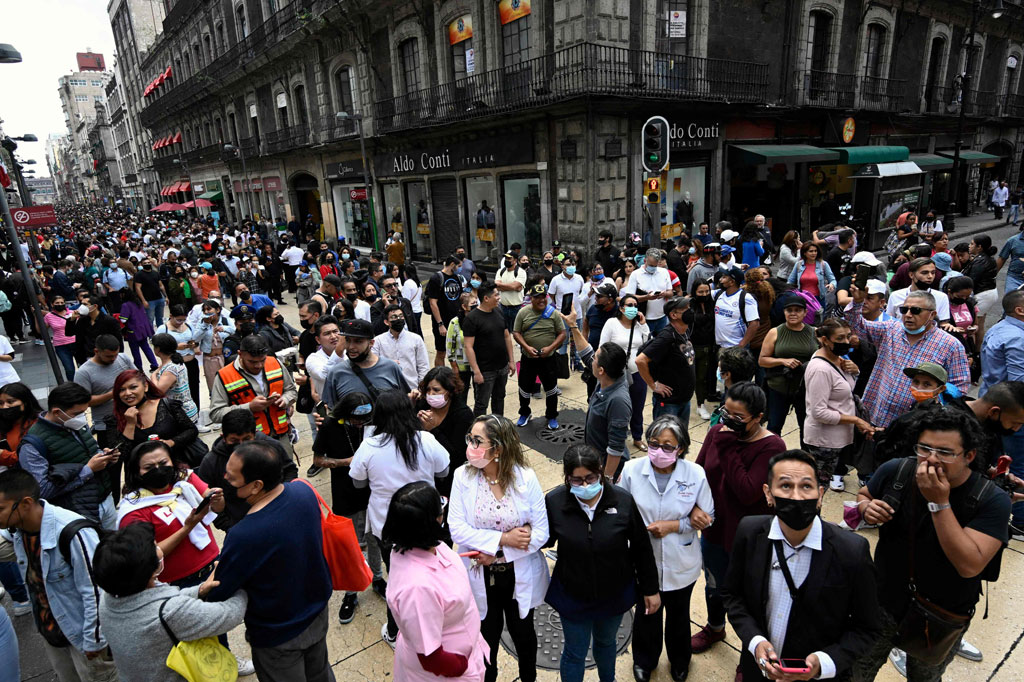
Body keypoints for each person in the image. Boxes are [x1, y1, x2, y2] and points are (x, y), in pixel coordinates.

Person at [853, 407, 1009, 681]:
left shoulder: (991, 500)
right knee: (856, 673)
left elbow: (969, 565)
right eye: (924, 448)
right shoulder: (898, 470)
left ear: (969, 456)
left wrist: (938, 502)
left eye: (946, 452)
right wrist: (866, 508)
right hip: (882, 604)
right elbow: (864, 493)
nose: (932, 459)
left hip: (941, 615)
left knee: (925, 677)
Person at [724, 450, 882, 682]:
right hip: (758, 672)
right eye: (785, 486)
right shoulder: (750, 532)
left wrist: (825, 662)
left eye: (806, 486)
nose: (797, 497)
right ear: (768, 494)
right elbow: (732, 595)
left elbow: (867, 628)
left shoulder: (852, 551)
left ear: (820, 495)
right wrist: (755, 641)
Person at [205, 440, 335, 682]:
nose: (225, 479)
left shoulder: (244, 535)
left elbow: (217, 592)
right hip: (317, 611)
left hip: (278, 633)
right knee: (320, 673)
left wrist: (208, 581)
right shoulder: (304, 491)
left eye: (231, 479)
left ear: (256, 486)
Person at [543, 443, 660, 682]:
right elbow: (543, 538)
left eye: (591, 478)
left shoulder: (622, 501)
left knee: (606, 643)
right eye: (576, 480)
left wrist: (650, 589)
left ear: (600, 472)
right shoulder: (555, 502)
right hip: (572, 593)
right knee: (575, 652)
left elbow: (641, 547)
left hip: (614, 591)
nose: (585, 485)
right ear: (567, 478)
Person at [448, 415, 550, 682]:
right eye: (470, 438)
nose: (470, 445)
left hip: (518, 572)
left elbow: (541, 532)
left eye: (477, 441)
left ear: (499, 449)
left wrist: (502, 552)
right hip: (481, 574)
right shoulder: (462, 477)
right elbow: (457, 529)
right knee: (486, 640)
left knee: (524, 634)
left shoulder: (525, 478)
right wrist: (504, 540)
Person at [691, 382, 786, 658]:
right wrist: (695, 507)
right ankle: (715, 626)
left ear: (758, 417)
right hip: (713, 530)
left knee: (748, 599)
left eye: (738, 417)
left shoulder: (771, 446)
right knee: (713, 585)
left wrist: (726, 444)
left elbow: (746, 490)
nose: (728, 421)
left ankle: (750, 655)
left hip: (747, 538)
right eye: (725, 412)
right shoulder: (715, 432)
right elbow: (698, 474)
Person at [349, 389, 451, 645]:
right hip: (427, 521)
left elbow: (358, 483)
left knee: (398, 579)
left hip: (388, 527)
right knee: (431, 573)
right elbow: (444, 470)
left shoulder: (370, 445)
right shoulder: (425, 440)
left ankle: (395, 631)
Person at [0, 468, 119, 682]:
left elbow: (96, 592)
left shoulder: (72, 532)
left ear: (26, 504)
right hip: (53, 634)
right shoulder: (18, 531)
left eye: (0, 508)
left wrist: (94, 640)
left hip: (85, 640)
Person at [619, 416, 714, 682]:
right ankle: (644, 660)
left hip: (681, 561)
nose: (659, 451)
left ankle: (679, 660)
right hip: (642, 561)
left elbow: (709, 517)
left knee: (679, 616)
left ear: (681, 448)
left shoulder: (695, 475)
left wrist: (675, 525)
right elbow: (619, 510)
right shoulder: (632, 470)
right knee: (647, 613)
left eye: (668, 446)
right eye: (654, 443)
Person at [383, 481, 489, 681]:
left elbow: (443, 564)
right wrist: (463, 666)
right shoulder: (417, 589)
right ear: (434, 521)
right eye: (441, 505)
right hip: (446, 672)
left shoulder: (421, 544)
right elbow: (431, 658)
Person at [847, 287, 969, 428]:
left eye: (916, 310)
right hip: (874, 418)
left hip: (915, 426)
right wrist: (857, 302)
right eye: (904, 310)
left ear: (932, 314)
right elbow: (855, 325)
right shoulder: (890, 329)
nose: (908, 315)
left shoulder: (951, 345)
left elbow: (959, 388)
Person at [116, 440, 223, 588]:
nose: (158, 469)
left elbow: (217, 508)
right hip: (178, 584)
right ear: (137, 472)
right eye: (149, 467)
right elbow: (148, 556)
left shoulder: (185, 480)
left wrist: (218, 498)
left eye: (163, 462)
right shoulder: (133, 511)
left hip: (213, 564)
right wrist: (187, 527)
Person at [18, 381, 119, 528]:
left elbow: (90, 450)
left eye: (84, 412)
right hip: (76, 511)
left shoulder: (74, 424)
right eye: (77, 414)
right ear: (57, 412)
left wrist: (104, 456)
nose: (82, 417)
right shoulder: (33, 445)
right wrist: (89, 470)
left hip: (105, 499)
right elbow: (42, 490)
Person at [803, 318, 876, 490]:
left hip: (838, 437)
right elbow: (819, 412)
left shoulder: (839, 359)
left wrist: (855, 371)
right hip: (824, 441)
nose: (846, 342)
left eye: (848, 337)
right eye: (840, 338)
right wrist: (856, 420)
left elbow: (844, 388)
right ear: (825, 340)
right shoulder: (820, 369)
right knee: (817, 489)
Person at [198, 409, 297, 532]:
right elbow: (205, 498)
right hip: (241, 526)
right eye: (234, 441)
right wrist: (229, 527)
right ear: (223, 437)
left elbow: (290, 471)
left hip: (280, 515)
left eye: (246, 439)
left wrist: (284, 501)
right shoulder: (211, 463)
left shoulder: (271, 447)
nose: (241, 445)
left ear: (255, 434)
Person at [210, 334, 297, 457]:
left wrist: (285, 400)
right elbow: (216, 413)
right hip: (250, 444)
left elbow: (292, 391)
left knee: (287, 471)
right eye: (252, 362)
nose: (259, 366)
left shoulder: (275, 363)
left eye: (262, 360)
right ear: (240, 354)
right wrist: (249, 407)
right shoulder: (224, 376)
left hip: (281, 436)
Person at [113, 369, 200, 470]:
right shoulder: (115, 418)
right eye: (121, 390)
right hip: (142, 478)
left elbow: (191, 430)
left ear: (145, 386)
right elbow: (120, 455)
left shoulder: (167, 405)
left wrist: (171, 442)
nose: (127, 393)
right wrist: (130, 424)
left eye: (133, 387)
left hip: (176, 469)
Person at [759, 293, 817, 437]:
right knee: (774, 426)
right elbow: (762, 360)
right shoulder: (775, 332)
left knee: (806, 428)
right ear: (784, 312)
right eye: (789, 310)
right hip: (778, 387)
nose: (793, 313)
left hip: (806, 389)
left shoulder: (814, 333)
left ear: (805, 312)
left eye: (797, 310)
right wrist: (782, 361)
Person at [512, 282, 567, 429]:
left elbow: (562, 333)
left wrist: (551, 348)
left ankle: (552, 416)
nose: (541, 300)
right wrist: (526, 347)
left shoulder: (553, 313)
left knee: (551, 389)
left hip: (548, 359)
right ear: (531, 298)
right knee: (524, 388)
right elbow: (516, 332)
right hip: (528, 358)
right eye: (537, 297)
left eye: (544, 297)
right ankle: (524, 413)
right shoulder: (523, 312)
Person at [600, 293, 651, 448]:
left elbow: (648, 344)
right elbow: (602, 347)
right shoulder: (612, 323)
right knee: (615, 407)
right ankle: (612, 437)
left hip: (637, 373)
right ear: (621, 308)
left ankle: (637, 437)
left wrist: (643, 325)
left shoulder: (639, 325)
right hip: (615, 375)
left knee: (638, 407)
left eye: (636, 306)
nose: (633, 308)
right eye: (629, 305)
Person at [321, 318, 408, 408]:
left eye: (358, 341)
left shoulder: (391, 368)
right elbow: (329, 411)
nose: (351, 347)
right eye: (348, 340)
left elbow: (405, 404)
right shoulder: (336, 373)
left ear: (371, 343)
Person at [415, 367, 473, 497]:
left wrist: (433, 430)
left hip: (448, 480)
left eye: (436, 390)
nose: (431, 394)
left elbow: (458, 456)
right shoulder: (422, 405)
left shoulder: (463, 415)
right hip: (422, 474)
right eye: (428, 390)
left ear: (450, 391)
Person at [463, 283, 516, 417]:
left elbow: (506, 336)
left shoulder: (498, 311)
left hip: (502, 367)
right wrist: (476, 372)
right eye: (496, 295)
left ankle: (498, 428)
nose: (499, 297)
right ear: (486, 299)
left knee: (499, 399)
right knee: (481, 404)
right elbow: (468, 346)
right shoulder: (472, 318)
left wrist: (511, 360)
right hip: (485, 371)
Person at [374, 304, 430, 391]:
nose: (398, 319)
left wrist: (421, 387)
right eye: (394, 317)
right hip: (387, 389)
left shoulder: (416, 339)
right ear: (386, 322)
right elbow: (374, 365)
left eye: (401, 316)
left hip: (412, 388)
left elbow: (423, 366)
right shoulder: (378, 341)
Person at [156, 305, 201, 409]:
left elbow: (196, 339)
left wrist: (193, 344)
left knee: (194, 389)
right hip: (175, 365)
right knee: (178, 392)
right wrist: (176, 347)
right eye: (178, 320)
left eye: (183, 320)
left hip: (191, 363)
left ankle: (196, 413)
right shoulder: (163, 329)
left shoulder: (188, 326)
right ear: (171, 316)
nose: (181, 323)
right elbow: (158, 349)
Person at [150, 333, 200, 426]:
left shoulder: (170, 369)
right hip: (186, 410)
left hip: (181, 414)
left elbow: (158, 391)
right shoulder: (176, 361)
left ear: (158, 349)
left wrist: (153, 375)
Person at [426, 256, 465, 366]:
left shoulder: (456, 277)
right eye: (459, 266)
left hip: (456, 320)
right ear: (452, 264)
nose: (459, 268)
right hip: (443, 321)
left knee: (457, 351)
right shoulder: (436, 278)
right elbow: (433, 303)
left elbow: (460, 296)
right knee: (441, 352)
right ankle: (440, 377)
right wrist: (440, 324)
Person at [625, 248, 675, 334]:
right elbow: (629, 297)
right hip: (644, 318)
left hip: (662, 317)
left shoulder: (664, 272)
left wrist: (664, 294)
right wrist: (646, 297)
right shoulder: (635, 274)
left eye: (655, 266)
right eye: (651, 265)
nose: (653, 268)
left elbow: (671, 292)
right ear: (645, 260)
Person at [887, 257, 951, 323]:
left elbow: (943, 324)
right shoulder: (895, 296)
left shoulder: (941, 297)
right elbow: (889, 323)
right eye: (924, 273)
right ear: (911, 275)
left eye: (933, 273)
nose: (930, 276)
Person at [193, 297, 235, 395]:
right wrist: (205, 325)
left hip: (225, 358)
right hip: (209, 360)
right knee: (213, 386)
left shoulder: (225, 320)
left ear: (218, 310)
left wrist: (223, 328)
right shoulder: (202, 322)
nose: (206, 312)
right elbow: (195, 338)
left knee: (229, 384)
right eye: (204, 310)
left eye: (209, 309)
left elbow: (235, 330)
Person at [960, 235, 999, 340]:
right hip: (988, 292)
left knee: (974, 325)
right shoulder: (984, 258)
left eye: (972, 244)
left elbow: (971, 279)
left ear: (979, 247)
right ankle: (977, 351)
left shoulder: (980, 261)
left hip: (982, 294)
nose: (969, 246)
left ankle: (975, 352)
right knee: (979, 324)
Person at [64, 293, 122, 361]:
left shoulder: (110, 321)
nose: (82, 306)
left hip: (104, 357)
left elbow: (118, 340)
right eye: (82, 304)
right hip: (85, 357)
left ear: (95, 306)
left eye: (85, 304)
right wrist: (72, 320)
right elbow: (69, 333)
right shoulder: (82, 320)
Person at [713, 266, 760, 349]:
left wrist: (742, 345)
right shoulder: (719, 294)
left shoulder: (746, 298)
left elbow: (754, 324)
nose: (720, 280)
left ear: (732, 282)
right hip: (720, 346)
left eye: (724, 277)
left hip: (736, 348)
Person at [44, 295, 77, 380]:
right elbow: (42, 330)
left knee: (82, 366)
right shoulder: (48, 316)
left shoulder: (73, 313)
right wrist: (36, 316)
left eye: (62, 302)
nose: (60, 304)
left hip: (75, 342)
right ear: (52, 304)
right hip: (61, 346)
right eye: (57, 303)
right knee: (69, 369)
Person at [495, 252, 528, 333]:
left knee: (517, 332)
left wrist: (502, 286)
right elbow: (497, 285)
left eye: (509, 258)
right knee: (504, 332)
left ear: (515, 260)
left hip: (516, 308)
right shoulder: (500, 271)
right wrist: (513, 287)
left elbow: (515, 286)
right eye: (506, 258)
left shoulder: (521, 272)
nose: (507, 260)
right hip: (502, 307)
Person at [133, 256, 168, 328]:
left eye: (148, 262)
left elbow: (161, 285)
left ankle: (160, 334)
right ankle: (151, 335)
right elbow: (138, 288)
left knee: (160, 318)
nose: (147, 264)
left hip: (159, 298)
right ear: (142, 265)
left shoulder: (155, 273)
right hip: (149, 300)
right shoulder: (139, 275)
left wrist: (166, 296)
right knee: (150, 319)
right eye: (145, 263)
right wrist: (143, 300)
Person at [996, 224, 1024, 292]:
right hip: (1014, 278)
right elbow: (1002, 259)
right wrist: (992, 276)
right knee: (1011, 300)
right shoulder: (1012, 241)